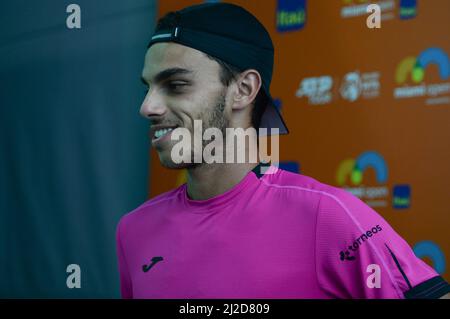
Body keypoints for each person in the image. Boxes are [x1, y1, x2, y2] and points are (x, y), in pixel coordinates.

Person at [116, 2, 450, 299]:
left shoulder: (326, 215)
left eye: (175, 85)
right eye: (148, 88)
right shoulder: (133, 231)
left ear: (244, 90)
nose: (148, 107)